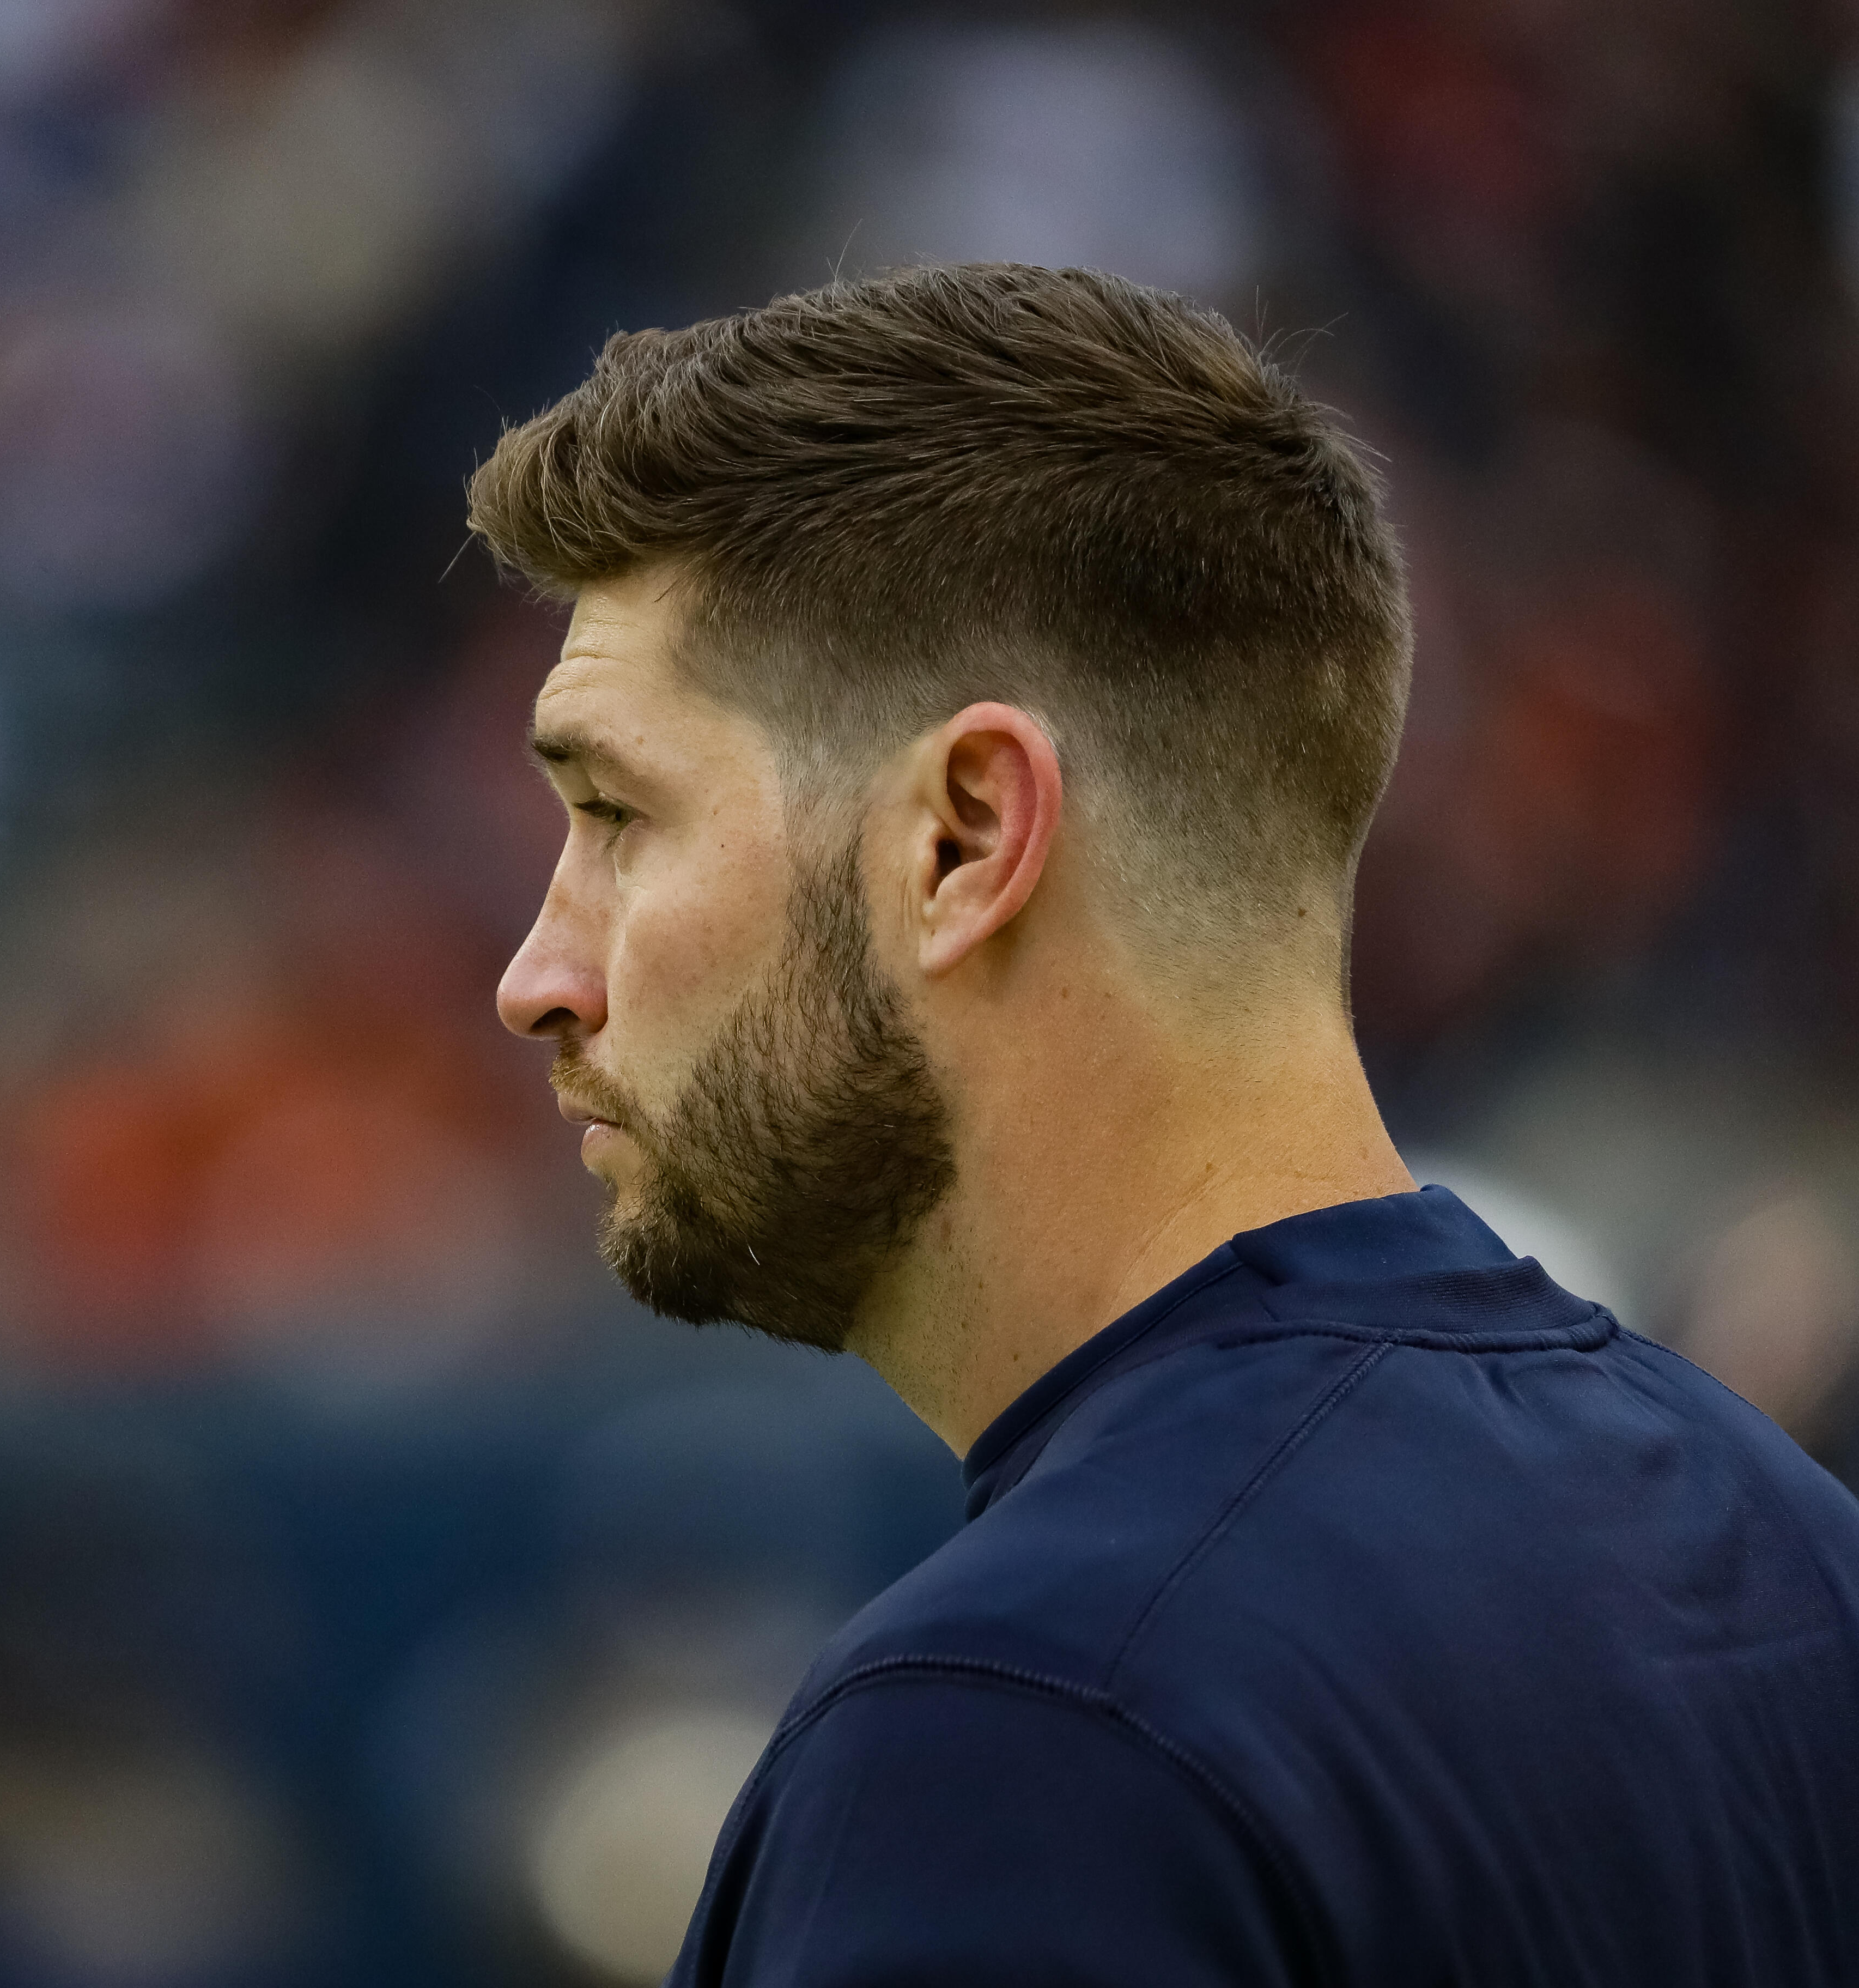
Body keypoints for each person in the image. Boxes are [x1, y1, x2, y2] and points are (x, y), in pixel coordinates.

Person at [471, 263, 1859, 1986]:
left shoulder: (1027, 1729)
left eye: (617, 811)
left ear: (966, 840)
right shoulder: (1805, 1565)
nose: (541, 977)